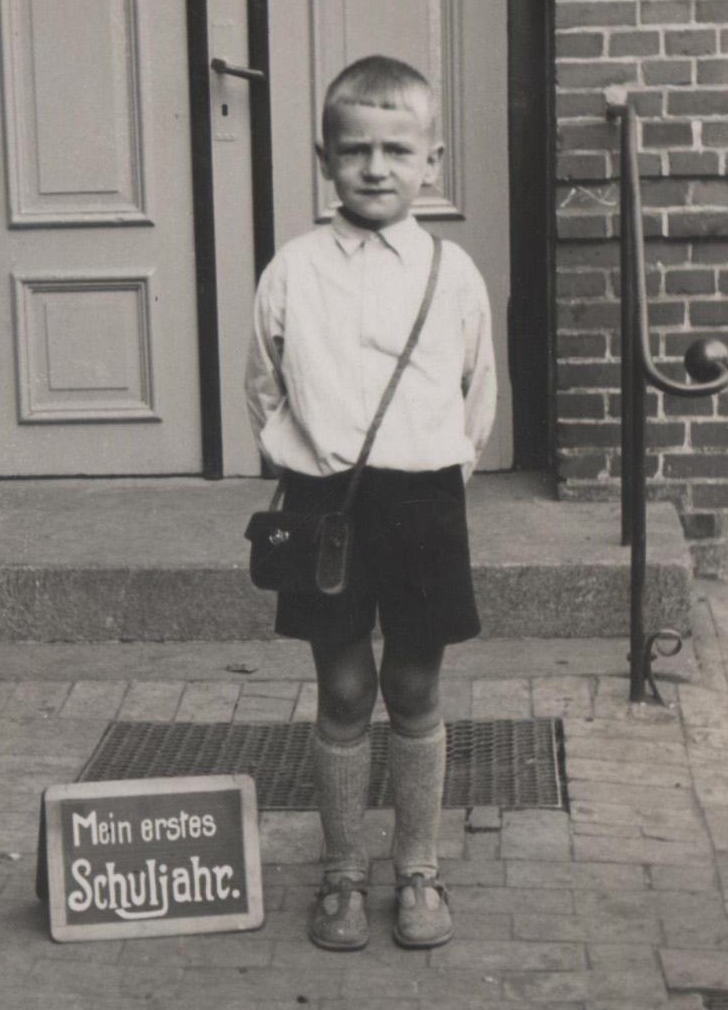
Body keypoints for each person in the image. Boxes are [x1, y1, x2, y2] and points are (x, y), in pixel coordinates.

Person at [244, 54, 496, 951]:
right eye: (355, 151)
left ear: (432, 161)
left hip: (423, 504)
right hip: (328, 506)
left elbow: (477, 397)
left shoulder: (451, 273)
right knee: (345, 688)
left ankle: (418, 867)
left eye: (398, 150)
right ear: (325, 159)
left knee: (415, 685)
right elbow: (264, 387)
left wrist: (437, 477)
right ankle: (344, 872)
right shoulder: (293, 270)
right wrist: (310, 459)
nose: (376, 168)